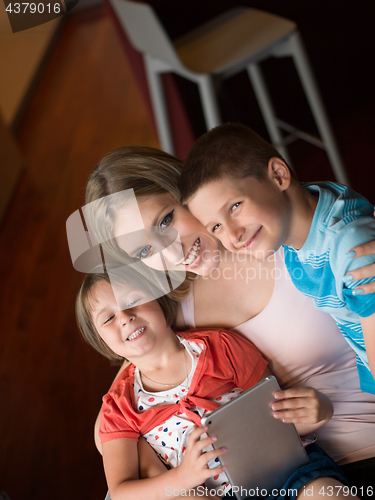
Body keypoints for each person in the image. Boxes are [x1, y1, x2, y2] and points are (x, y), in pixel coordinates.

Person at [85, 146, 375, 494]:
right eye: (145, 251)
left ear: (190, 190)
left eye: (166, 220)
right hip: (274, 471)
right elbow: (110, 424)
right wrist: (173, 480)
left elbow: (347, 228)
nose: (173, 253)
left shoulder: (276, 223)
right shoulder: (170, 307)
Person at [76, 269, 355, 499]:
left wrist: (319, 412)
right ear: (102, 342)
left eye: (133, 299)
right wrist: (182, 478)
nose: (125, 317)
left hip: (284, 473)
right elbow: (122, 492)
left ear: (159, 300)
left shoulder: (220, 347)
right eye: (109, 318)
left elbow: (279, 417)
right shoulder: (117, 407)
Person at [179, 123, 375, 396]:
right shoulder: (310, 212)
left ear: (279, 175)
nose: (233, 235)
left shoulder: (352, 252)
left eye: (235, 206)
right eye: (215, 227)